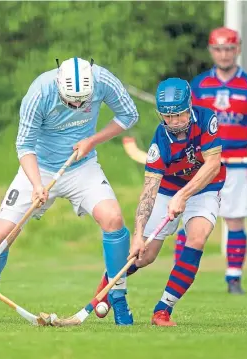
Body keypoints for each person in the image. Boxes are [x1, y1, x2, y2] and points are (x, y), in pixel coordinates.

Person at [0, 57, 139, 326]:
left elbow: (129, 115)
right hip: (39, 167)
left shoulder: (102, 79)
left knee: (113, 219)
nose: (78, 106)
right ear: (58, 84)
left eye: (83, 101)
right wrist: (37, 185)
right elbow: (24, 145)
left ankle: (118, 296)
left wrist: (92, 140)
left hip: (82, 166)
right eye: (71, 101)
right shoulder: (39, 92)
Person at [93, 78, 226, 326]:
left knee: (197, 237)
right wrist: (138, 234)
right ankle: (106, 289)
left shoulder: (208, 119)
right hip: (168, 189)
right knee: (144, 257)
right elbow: (149, 190)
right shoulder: (160, 139)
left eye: (178, 115)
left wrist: (183, 195)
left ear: (190, 106)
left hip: (206, 187)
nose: (173, 122)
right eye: (167, 116)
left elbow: (213, 164)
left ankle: (162, 309)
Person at [174, 27, 247, 294]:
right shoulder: (198, 85)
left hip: (236, 163)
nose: (224, 54)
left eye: (229, 49)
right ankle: (180, 274)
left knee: (234, 220)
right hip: (202, 165)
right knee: (191, 219)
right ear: (211, 51)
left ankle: (233, 279)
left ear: (238, 49)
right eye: (219, 49)